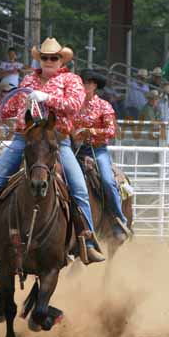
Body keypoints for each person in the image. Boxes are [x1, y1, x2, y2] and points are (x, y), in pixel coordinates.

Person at [0, 38, 105, 263]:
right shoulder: (28, 79)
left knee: (79, 188)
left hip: (56, 141)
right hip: (25, 138)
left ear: (61, 60)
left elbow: (74, 105)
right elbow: (11, 107)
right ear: (40, 59)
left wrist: (47, 97)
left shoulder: (71, 80)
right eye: (45, 57)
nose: (48, 61)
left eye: (53, 58)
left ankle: (86, 240)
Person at [73, 70, 129, 242]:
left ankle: (118, 220)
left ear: (95, 85)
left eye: (88, 83)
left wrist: (91, 131)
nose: (85, 86)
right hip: (74, 150)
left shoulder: (104, 106)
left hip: (97, 150)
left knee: (106, 180)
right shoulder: (73, 104)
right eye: (82, 82)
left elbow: (112, 131)